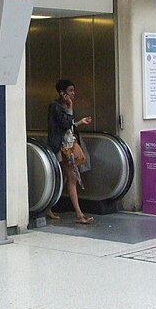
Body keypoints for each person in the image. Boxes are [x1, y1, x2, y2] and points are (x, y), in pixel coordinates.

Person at [45, 79, 93, 224]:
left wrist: (79, 122)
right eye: (70, 91)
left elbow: (68, 126)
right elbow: (65, 124)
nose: (73, 94)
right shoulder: (56, 106)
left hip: (66, 146)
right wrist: (71, 108)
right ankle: (78, 214)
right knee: (70, 177)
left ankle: (49, 208)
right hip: (61, 147)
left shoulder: (62, 106)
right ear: (62, 93)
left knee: (67, 177)